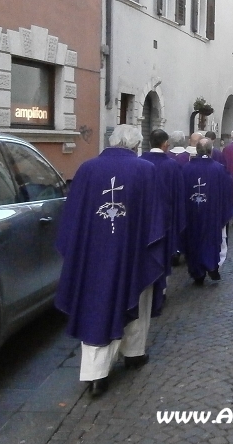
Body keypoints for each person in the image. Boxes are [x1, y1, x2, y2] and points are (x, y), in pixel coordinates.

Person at [55, 124, 165, 397]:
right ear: (135, 144)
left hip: (93, 255)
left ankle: (96, 374)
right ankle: (134, 354)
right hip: (134, 253)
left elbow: (72, 216)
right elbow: (155, 220)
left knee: (95, 305)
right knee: (138, 297)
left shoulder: (86, 169)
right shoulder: (145, 170)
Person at [182, 138, 233, 285]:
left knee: (193, 239)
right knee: (212, 238)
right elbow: (228, 190)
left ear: (196, 150)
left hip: (191, 213)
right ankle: (212, 265)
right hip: (213, 213)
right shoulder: (219, 168)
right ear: (211, 151)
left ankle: (197, 273)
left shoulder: (186, 168)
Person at [140, 129, 186, 276]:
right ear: (166, 144)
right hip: (167, 217)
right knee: (163, 250)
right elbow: (179, 193)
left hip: (143, 216)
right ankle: (162, 288)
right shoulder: (172, 166)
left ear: (148, 142)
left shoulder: (140, 162)